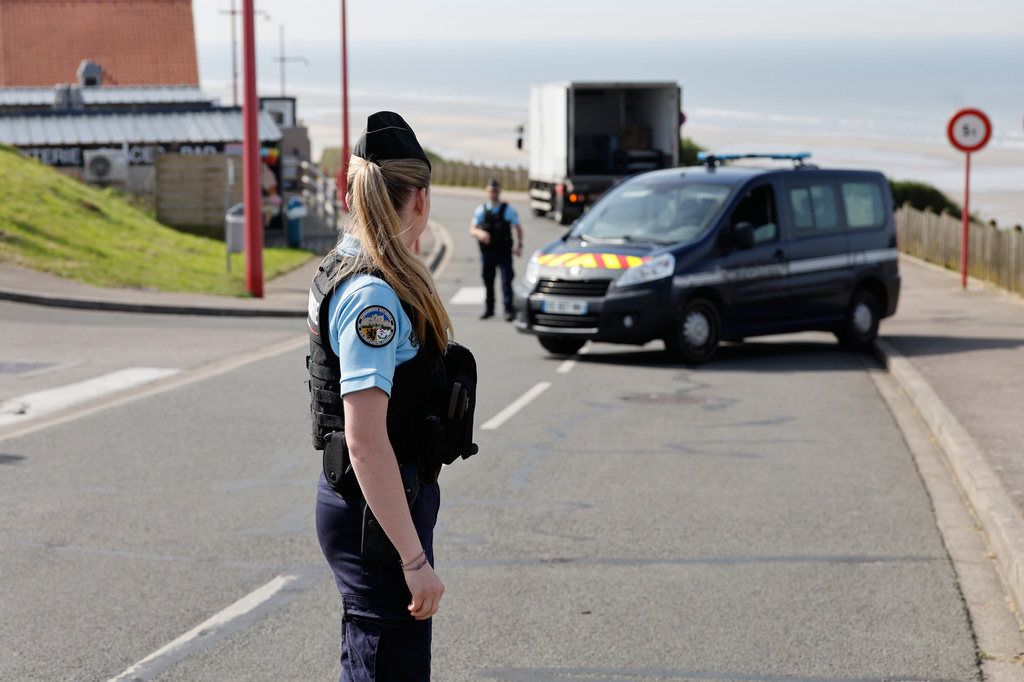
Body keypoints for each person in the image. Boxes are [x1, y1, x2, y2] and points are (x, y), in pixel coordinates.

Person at [309, 111, 452, 681]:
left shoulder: (342, 268)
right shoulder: (373, 296)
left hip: (372, 507)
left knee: (371, 658)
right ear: (418, 198)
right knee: (389, 664)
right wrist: (413, 560)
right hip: (378, 516)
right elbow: (365, 441)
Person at [469, 178, 523, 321]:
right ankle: (489, 309)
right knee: (488, 281)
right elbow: (472, 229)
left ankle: (508, 310)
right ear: (487, 192)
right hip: (488, 253)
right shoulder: (481, 210)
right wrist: (481, 234)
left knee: (506, 281)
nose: (494, 193)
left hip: (504, 252)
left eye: (496, 191)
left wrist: (520, 246)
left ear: (499, 192)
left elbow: (518, 228)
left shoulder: (508, 210)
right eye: (491, 191)